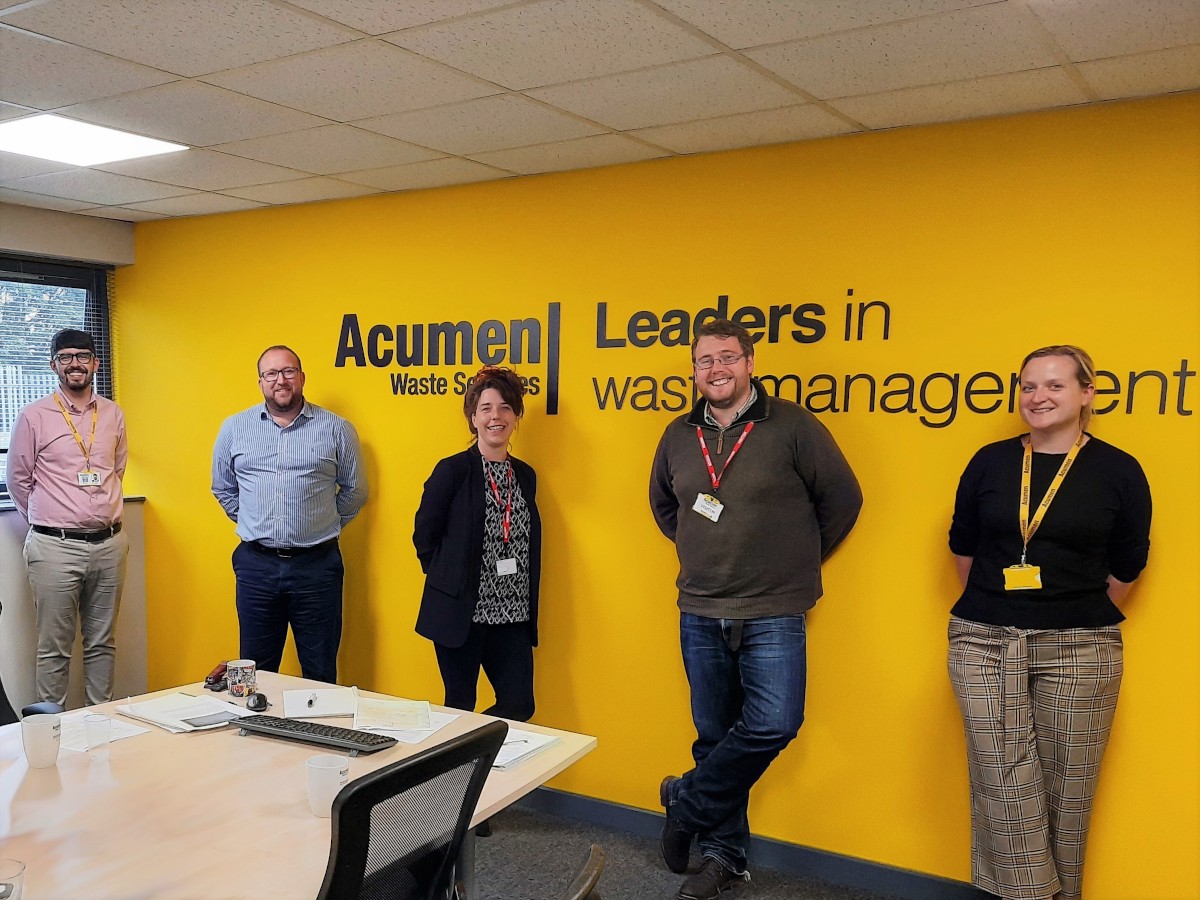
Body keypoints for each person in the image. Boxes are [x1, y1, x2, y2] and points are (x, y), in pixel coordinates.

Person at [649, 319, 862, 900]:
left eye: (727, 358)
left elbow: (843, 500)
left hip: (774, 607)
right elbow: (666, 507)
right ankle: (723, 857)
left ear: (750, 362)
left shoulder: (793, 425)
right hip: (699, 605)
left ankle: (685, 801)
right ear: (693, 371)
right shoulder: (677, 434)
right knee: (714, 735)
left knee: (775, 723)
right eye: (704, 361)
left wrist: (792, 558)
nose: (716, 370)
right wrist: (706, 550)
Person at [947, 345, 1152, 900]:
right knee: (1003, 778)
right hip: (984, 640)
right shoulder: (989, 462)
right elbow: (962, 547)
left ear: (1087, 393)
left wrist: (1070, 610)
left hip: (1081, 645)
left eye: (1055, 386)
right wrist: (1002, 606)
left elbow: (1129, 564)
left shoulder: (1118, 470)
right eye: (1028, 386)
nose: (1037, 397)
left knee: (1068, 787)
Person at [211, 345, 367, 684]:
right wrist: (253, 521)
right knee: (254, 671)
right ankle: (257, 735)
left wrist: (326, 524)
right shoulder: (235, 428)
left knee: (320, 669)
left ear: (301, 377)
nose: (280, 380)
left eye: (288, 372)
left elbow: (355, 491)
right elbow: (222, 488)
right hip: (256, 567)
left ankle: (319, 735)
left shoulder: (337, 429)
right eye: (271, 374)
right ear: (260, 381)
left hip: (317, 567)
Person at [6, 328, 129, 707]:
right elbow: (18, 479)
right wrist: (52, 518)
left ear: (95, 363)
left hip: (110, 544)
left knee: (102, 643)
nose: (74, 363)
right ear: (53, 365)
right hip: (54, 547)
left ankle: (100, 724)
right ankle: (50, 730)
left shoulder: (112, 414)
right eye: (65, 357)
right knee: (54, 648)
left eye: (82, 356)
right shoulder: (34, 415)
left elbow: (116, 470)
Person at [413, 366, 541, 723]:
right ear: (473, 418)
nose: (495, 416)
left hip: (512, 613)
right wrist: (448, 576)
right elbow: (424, 533)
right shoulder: (452, 471)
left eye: (504, 407)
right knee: (458, 706)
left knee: (519, 705)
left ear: (516, 416)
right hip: (463, 613)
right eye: (485, 408)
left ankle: (469, 756)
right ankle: (447, 776)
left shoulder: (525, 475)